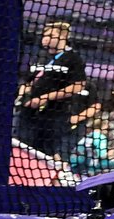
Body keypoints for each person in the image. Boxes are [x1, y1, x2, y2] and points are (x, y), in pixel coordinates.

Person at [16, 17, 87, 163]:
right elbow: (28, 81)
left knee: (47, 153)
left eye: (50, 35)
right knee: (23, 148)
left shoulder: (73, 58)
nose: (45, 39)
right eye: (44, 35)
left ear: (63, 37)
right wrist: (24, 94)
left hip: (54, 115)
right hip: (29, 113)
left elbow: (78, 86)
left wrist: (45, 98)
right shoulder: (41, 57)